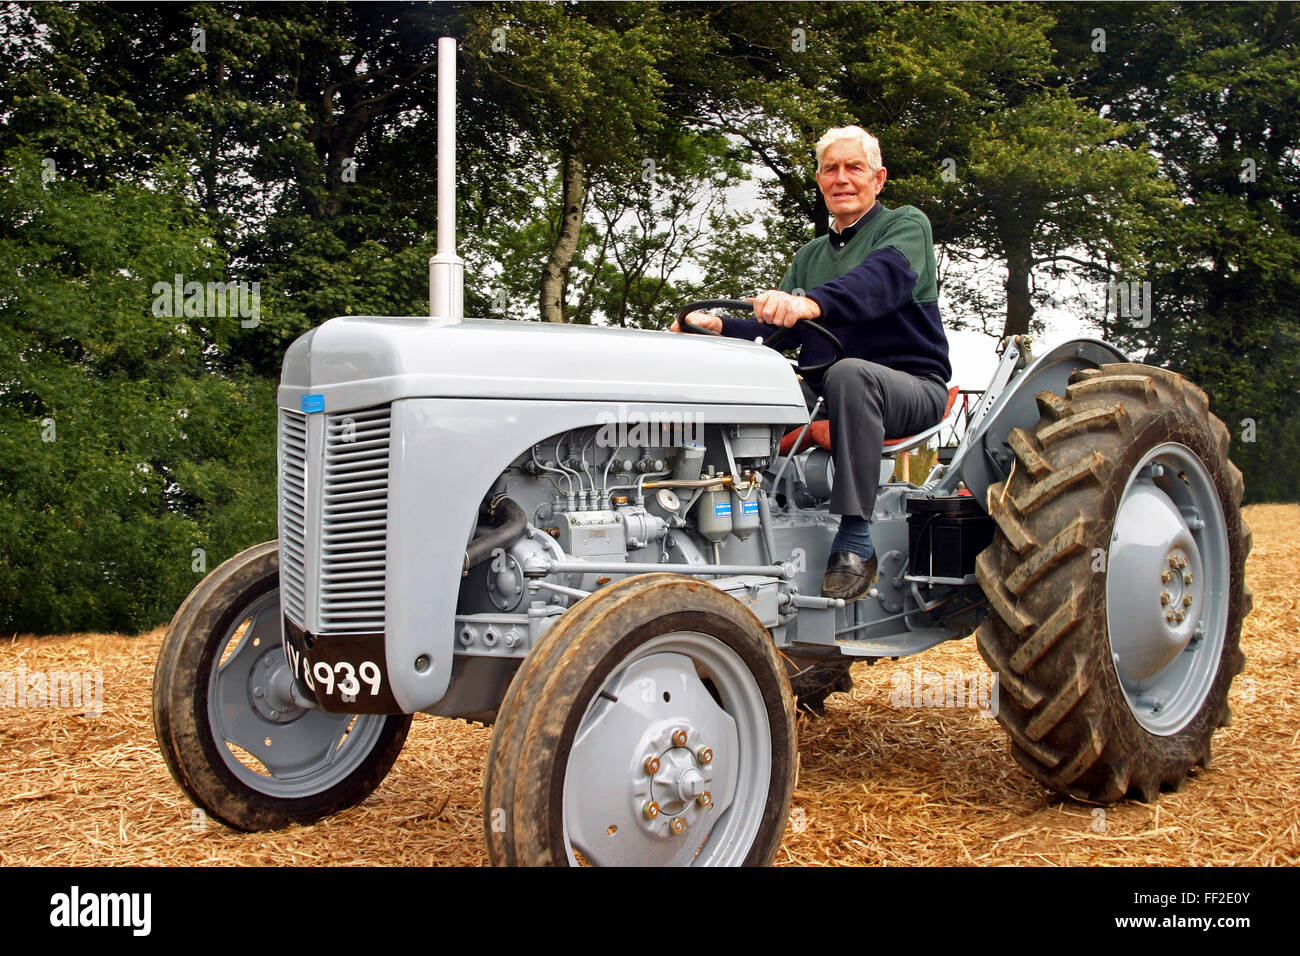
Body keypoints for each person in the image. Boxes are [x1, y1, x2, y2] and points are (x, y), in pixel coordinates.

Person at [671, 125, 951, 600]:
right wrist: (717, 327)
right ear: (820, 180)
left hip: (910, 388)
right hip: (825, 393)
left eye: (854, 167)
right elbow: (777, 333)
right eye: (830, 169)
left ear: (878, 178)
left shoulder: (905, 226)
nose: (841, 178)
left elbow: (881, 280)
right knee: (748, 387)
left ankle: (855, 538)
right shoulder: (811, 255)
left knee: (849, 373)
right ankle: (711, 511)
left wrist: (810, 303)